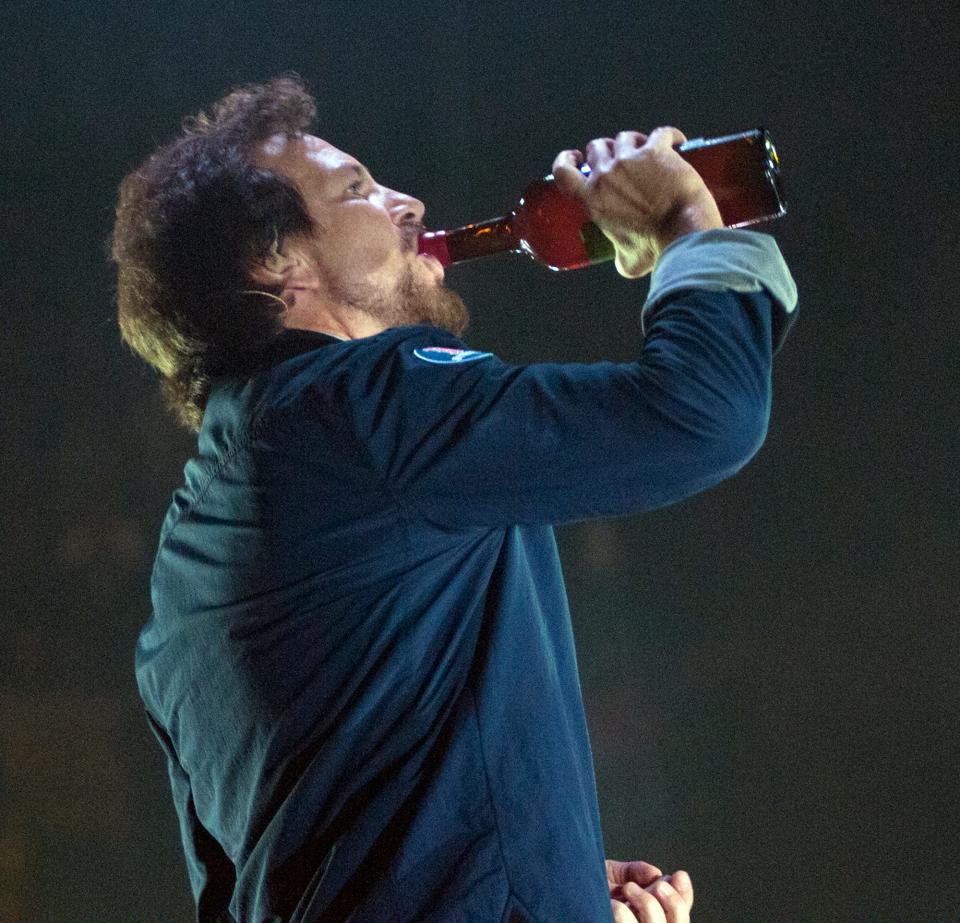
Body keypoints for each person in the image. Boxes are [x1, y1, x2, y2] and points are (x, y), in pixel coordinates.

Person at [111, 75, 797, 922]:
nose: (408, 204)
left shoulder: (189, 563)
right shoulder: (360, 405)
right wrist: (688, 220)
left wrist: (541, 871)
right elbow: (699, 413)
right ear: (275, 263)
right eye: (357, 190)